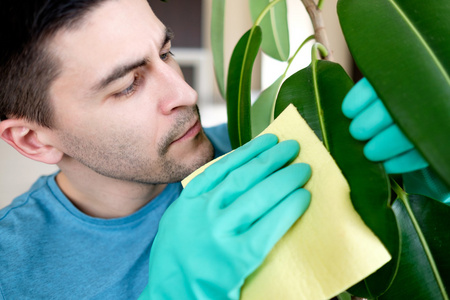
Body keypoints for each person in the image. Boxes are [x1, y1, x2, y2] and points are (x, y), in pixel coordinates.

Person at [0, 1, 447, 300]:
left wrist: (435, 157)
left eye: (167, 51)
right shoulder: (12, 269)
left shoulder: (279, 141)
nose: (185, 92)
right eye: (128, 85)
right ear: (33, 140)